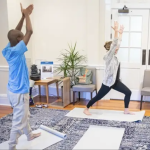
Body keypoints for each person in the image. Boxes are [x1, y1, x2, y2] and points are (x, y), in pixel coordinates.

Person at [2, 4, 41, 150]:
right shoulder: (18, 50)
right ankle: (11, 146)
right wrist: (27, 14)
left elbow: (16, 33)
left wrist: (23, 16)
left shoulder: (7, 49)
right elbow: (29, 31)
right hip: (19, 92)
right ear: (19, 40)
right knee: (18, 122)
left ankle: (29, 134)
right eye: (21, 37)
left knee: (25, 115)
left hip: (12, 91)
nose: (22, 36)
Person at [84, 21, 134, 116]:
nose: (117, 49)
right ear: (110, 49)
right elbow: (115, 44)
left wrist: (121, 33)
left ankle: (126, 110)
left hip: (115, 82)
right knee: (98, 97)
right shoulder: (108, 56)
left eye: (117, 49)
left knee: (128, 92)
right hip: (108, 83)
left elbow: (117, 44)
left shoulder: (115, 57)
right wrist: (115, 31)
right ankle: (86, 108)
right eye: (115, 48)